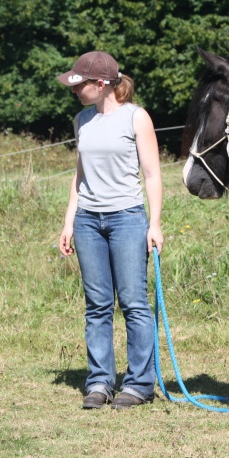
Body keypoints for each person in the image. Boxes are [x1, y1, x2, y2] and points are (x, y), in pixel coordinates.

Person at [57, 51, 164, 410]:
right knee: (97, 305)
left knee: (134, 302)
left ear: (101, 84)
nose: (74, 90)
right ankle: (100, 382)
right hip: (88, 220)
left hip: (127, 219)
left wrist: (155, 223)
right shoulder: (82, 120)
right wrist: (70, 219)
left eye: (80, 84)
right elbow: (79, 173)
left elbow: (152, 174)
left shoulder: (136, 118)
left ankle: (139, 384)